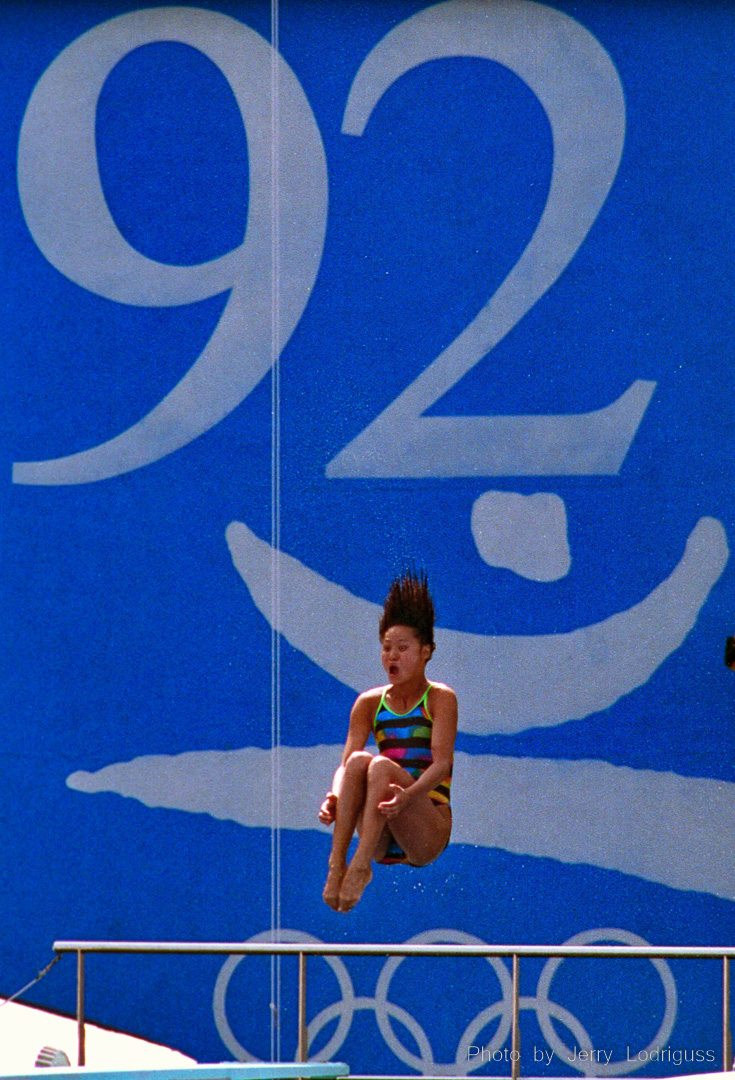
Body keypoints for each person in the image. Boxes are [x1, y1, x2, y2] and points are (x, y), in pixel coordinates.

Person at [319, 570, 457, 912]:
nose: (392, 656)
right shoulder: (368, 702)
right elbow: (346, 763)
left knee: (380, 765)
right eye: (386, 648)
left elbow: (441, 764)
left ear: (426, 651)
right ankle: (338, 864)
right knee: (359, 763)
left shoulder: (440, 698)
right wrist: (334, 797)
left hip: (425, 828)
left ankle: (360, 867)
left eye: (402, 648)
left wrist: (407, 797)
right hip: (380, 830)